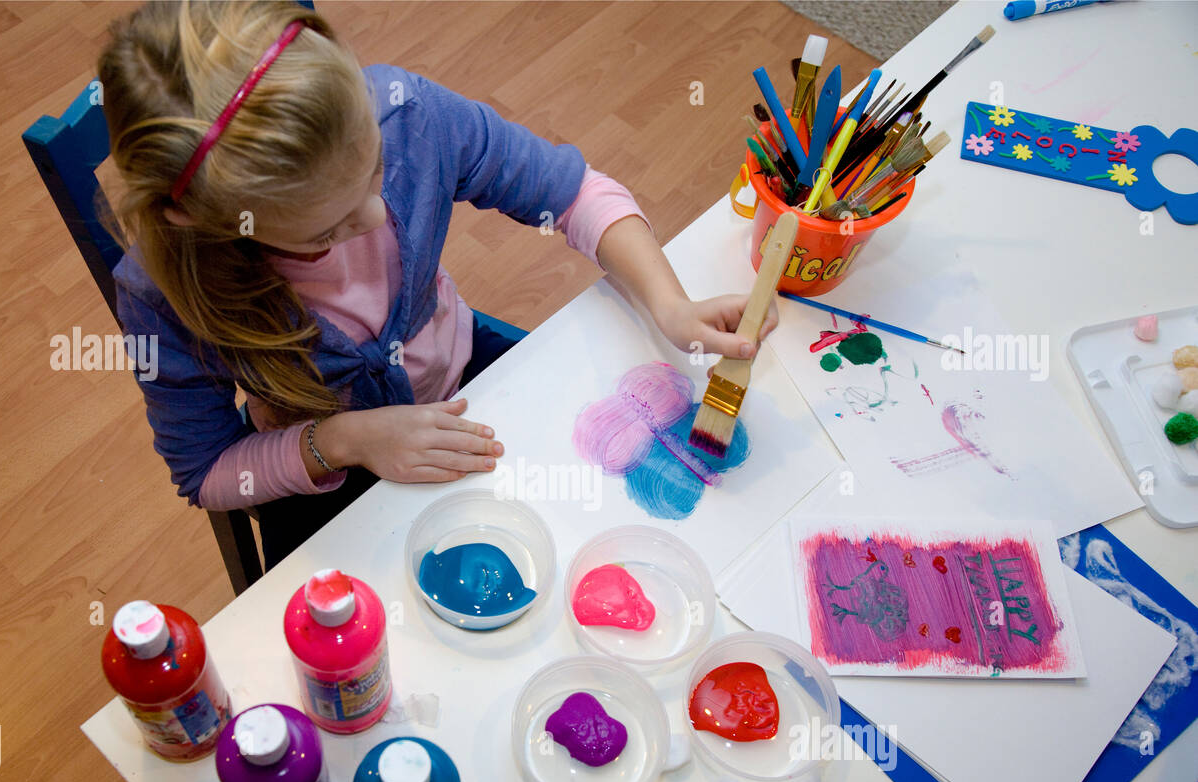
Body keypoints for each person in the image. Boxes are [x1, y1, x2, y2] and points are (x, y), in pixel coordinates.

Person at [99, 0, 777, 568]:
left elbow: (570, 193)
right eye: (323, 233)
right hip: (319, 473)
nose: (374, 218)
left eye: (374, 170)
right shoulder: (162, 291)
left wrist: (669, 302)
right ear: (211, 222)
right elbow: (207, 470)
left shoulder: (406, 113)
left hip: (467, 381)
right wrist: (347, 440)